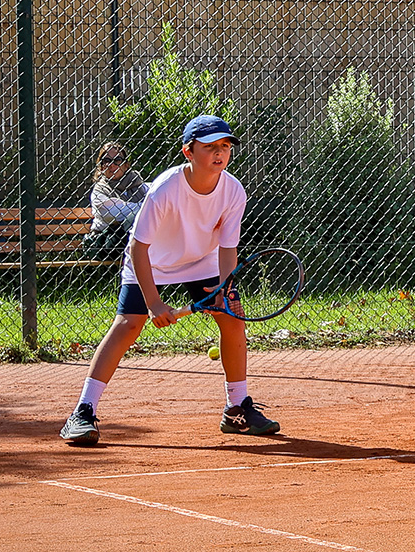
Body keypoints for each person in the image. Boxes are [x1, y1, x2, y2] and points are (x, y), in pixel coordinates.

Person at [60, 115, 279, 445]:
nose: (220, 153)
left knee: (232, 319)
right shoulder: (165, 188)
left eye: (225, 146)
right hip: (151, 260)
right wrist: (153, 303)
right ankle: (82, 412)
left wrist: (224, 288)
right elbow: (139, 247)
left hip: (201, 259)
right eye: (210, 147)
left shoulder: (234, 190)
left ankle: (237, 409)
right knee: (128, 325)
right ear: (188, 152)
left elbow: (227, 247)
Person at [81, 142, 149, 261]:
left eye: (117, 160)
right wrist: (146, 207)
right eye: (106, 160)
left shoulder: (139, 185)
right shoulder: (99, 190)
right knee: (134, 218)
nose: (111, 165)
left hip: (138, 236)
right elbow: (114, 213)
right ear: (101, 166)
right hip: (107, 240)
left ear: (126, 165)